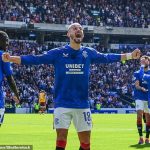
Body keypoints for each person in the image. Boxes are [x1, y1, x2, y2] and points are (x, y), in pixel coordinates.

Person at [2, 23, 141, 150]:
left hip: (82, 104)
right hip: (63, 103)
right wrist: (11, 58)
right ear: (68, 34)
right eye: (74, 28)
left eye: (80, 29)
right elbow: (36, 59)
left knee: (86, 142)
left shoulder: (89, 53)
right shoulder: (58, 53)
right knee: (61, 139)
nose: (78, 30)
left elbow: (108, 57)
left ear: (83, 35)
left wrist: (130, 55)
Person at [0, 31, 20, 127]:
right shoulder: (3, 55)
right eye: (5, 40)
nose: (7, 43)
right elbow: (9, 77)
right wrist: (16, 93)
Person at [133, 55, 150, 144]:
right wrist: (141, 88)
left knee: (148, 118)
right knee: (139, 115)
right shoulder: (137, 73)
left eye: (145, 60)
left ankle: (147, 138)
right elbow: (136, 85)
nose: (143, 62)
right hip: (139, 96)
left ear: (149, 62)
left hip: (148, 97)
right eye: (142, 61)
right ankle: (140, 137)